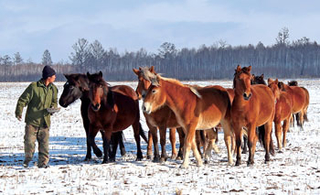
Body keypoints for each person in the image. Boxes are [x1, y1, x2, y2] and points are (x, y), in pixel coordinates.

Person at [15, 65, 58, 168]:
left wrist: (53, 108)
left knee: (44, 145)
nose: (55, 77)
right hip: (32, 121)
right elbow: (22, 100)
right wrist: (19, 111)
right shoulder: (33, 87)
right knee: (29, 143)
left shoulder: (54, 89)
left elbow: (54, 102)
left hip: (45, 122)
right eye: (53, 75)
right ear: (48, 77)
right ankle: (27, 160)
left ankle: (43, 163)